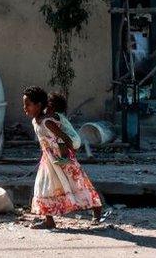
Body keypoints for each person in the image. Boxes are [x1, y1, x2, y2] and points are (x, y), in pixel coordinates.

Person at [23, 86, 103, 229]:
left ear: (39, 105)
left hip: (62, 158)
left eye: (28, 104)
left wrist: (70, 155)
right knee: (44, 187)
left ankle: (97, 210)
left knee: (77, 183)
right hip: (49, 161)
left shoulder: (47, 122)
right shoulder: (36, 121)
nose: (25, 108)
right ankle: (49, 221)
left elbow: (64, 137)